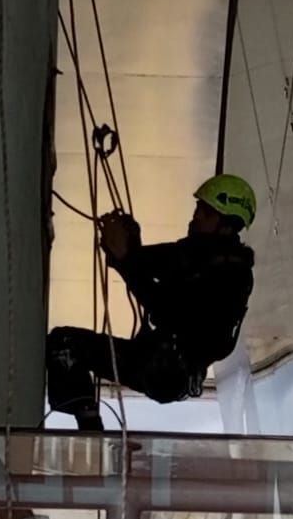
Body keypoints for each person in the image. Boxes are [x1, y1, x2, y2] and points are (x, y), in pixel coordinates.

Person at [46, 174, 256, 428]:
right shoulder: (199, 256)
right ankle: (89, 423)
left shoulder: (228, 274)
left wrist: (124, 257)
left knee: (65, 344)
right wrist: (127, 246)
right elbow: (144, 262)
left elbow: (169, 309)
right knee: (66, 344)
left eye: (206, 213)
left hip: (167, 369)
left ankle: (90, 427)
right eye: (198, 209)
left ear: (226, 225)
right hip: (164, 366)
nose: (195, 216)